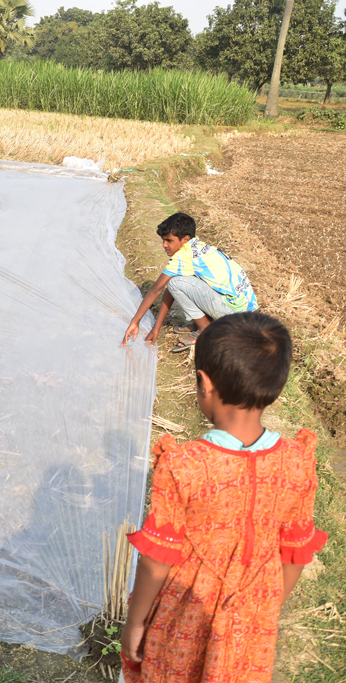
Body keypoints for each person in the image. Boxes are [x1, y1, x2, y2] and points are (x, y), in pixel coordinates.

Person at [119, 312, 326, 683]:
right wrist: (264, 608)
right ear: (276, 389)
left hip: (185, 614)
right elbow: (294, 552)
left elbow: (157, 560)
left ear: (204, 383)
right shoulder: (298, 462)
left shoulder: (183, 465)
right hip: (252, 618)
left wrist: (135, 622)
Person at [122, 213, 256, 352]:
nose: (164, 245)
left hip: (235, 315)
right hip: (245, 311)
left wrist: (135, 321)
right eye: (163, 240)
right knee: (180, 282)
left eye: (169, 240)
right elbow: (170, 291)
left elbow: (157, 289)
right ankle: (204, 321)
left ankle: (204, 329)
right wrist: (157, 327)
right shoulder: (198, 247)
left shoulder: (183, 256)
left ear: (185, 239)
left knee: (175, 283)